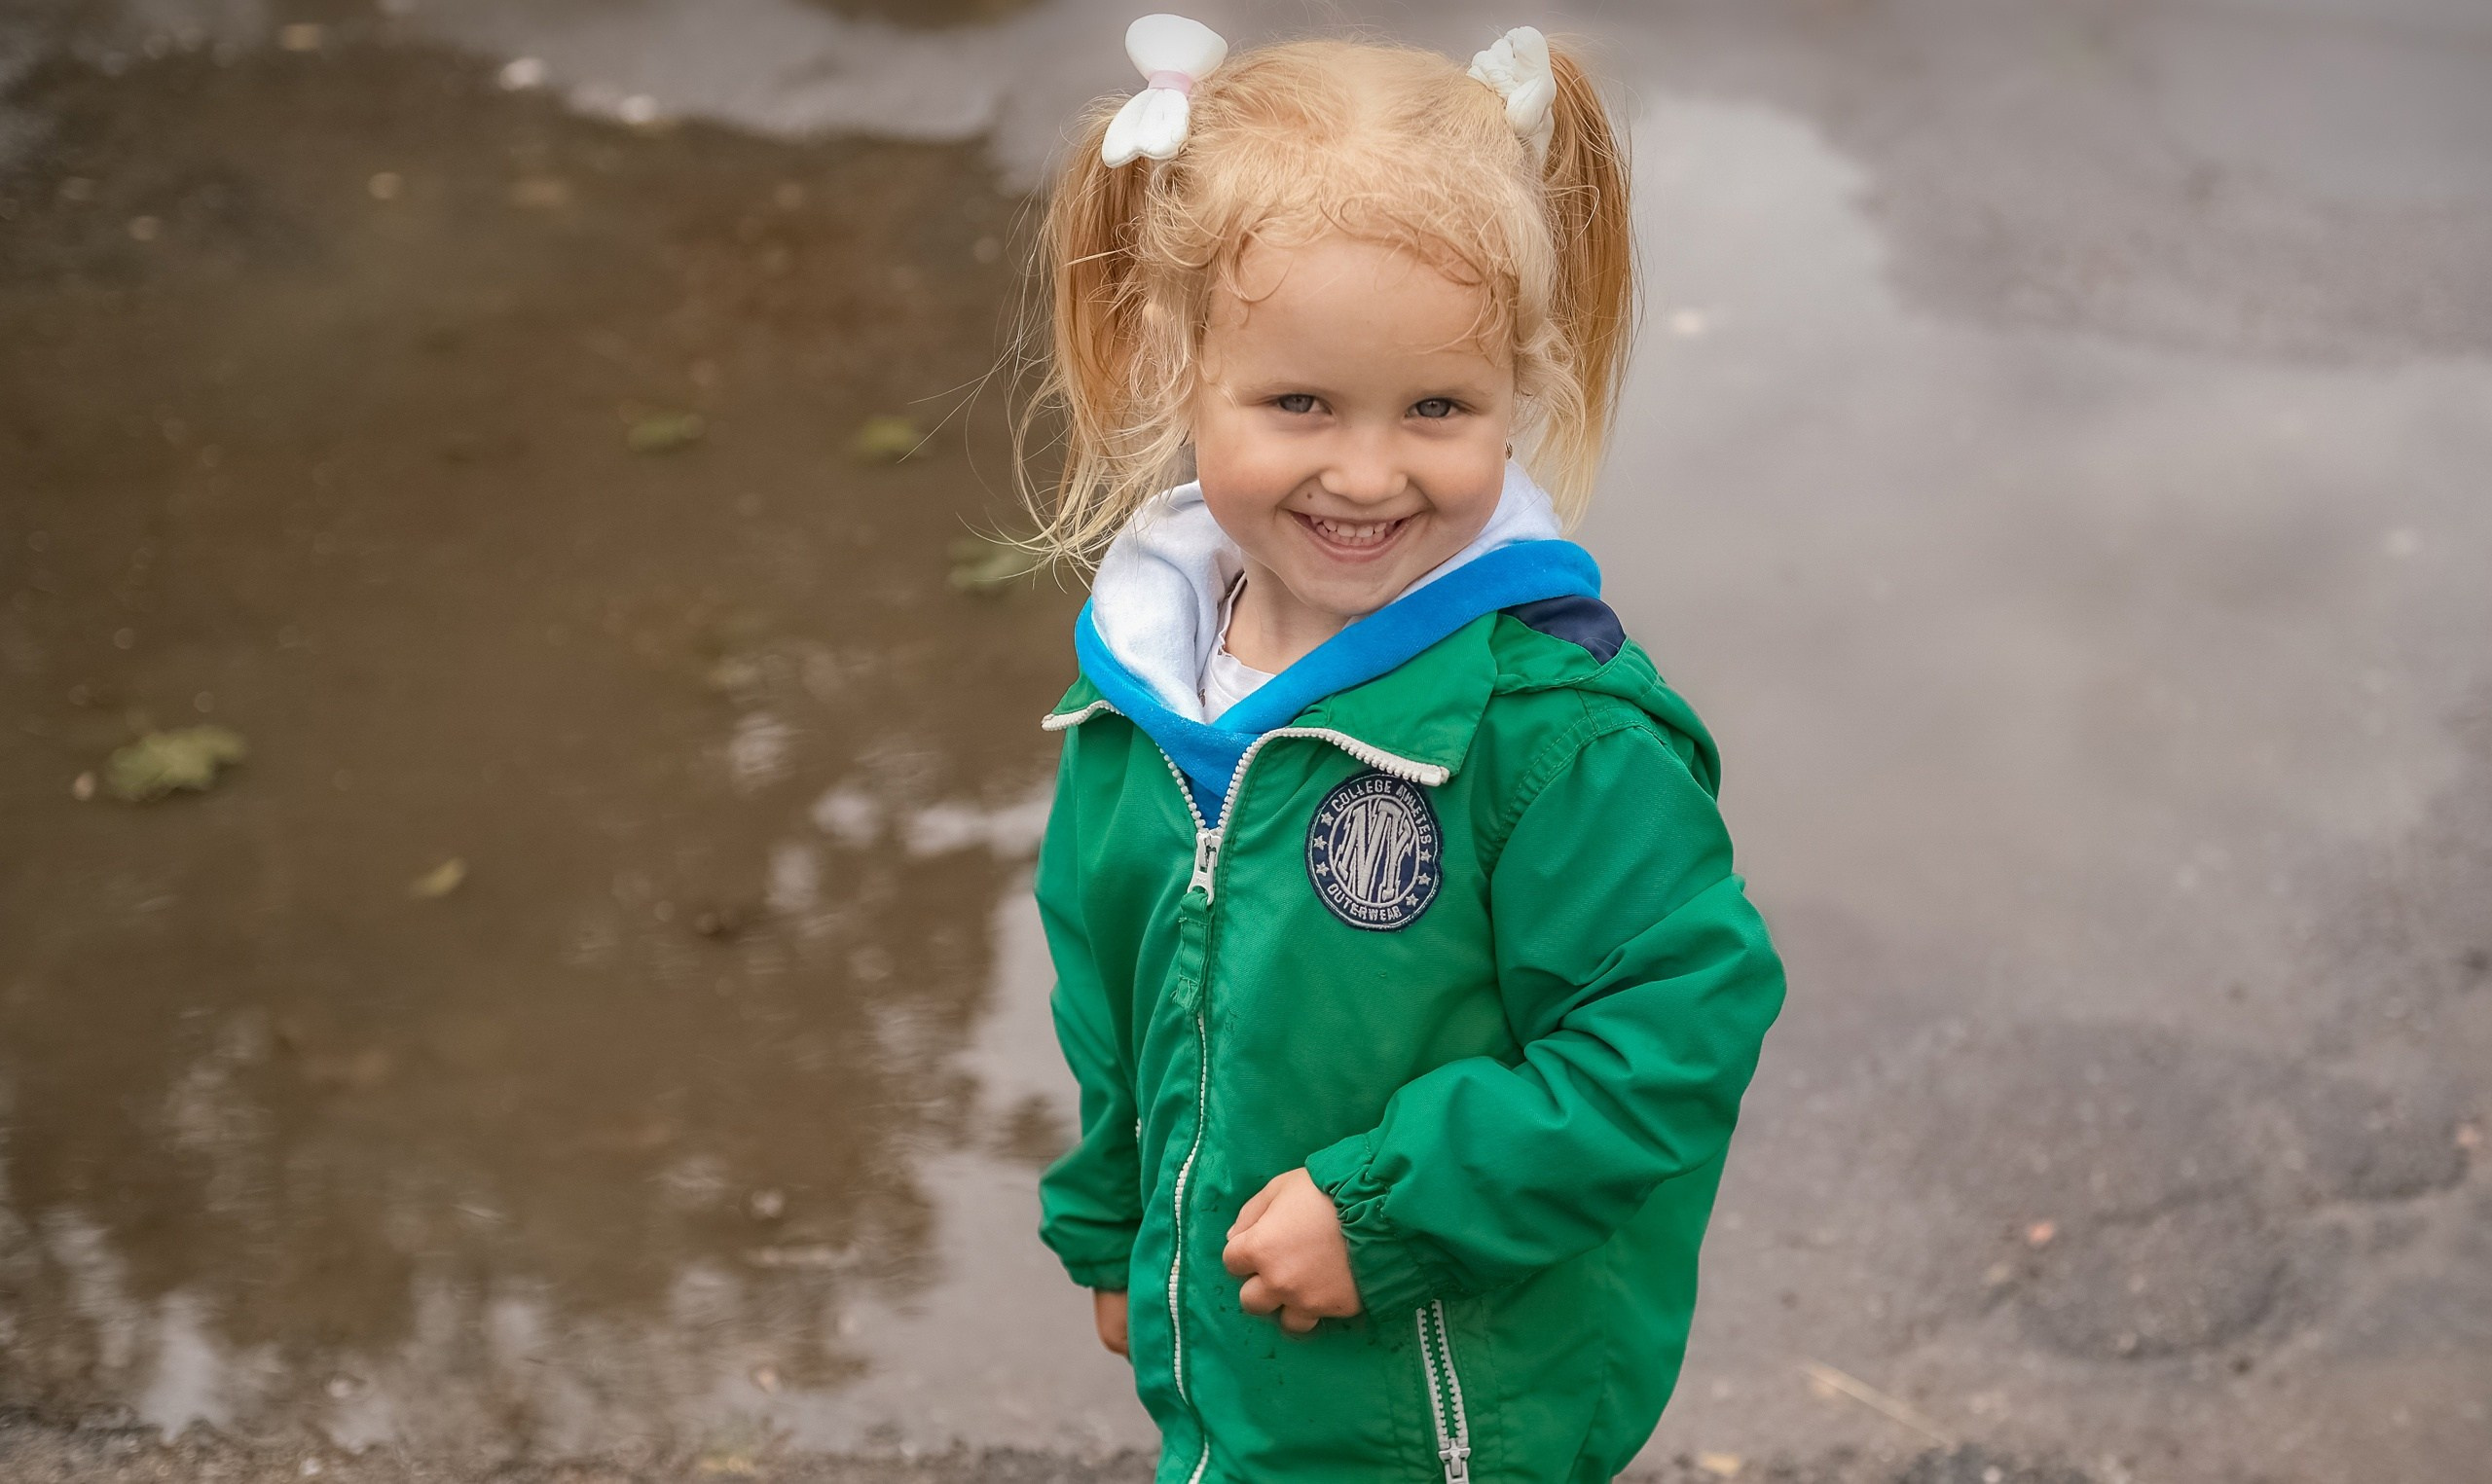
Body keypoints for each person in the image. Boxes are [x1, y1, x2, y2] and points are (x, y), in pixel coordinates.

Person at [1024, 16, 1785, 1481]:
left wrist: (1387, 1214)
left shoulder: (1546, 731)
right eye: (1299, 402)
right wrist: (1111, 1218)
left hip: (1451, 1413)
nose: (1366, 473)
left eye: (1438, 409)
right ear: (1178, 368)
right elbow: (1106, 992)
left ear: (1524, 387)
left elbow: (1673, 1027)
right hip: (1237, 1381)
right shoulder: (1136, 697)